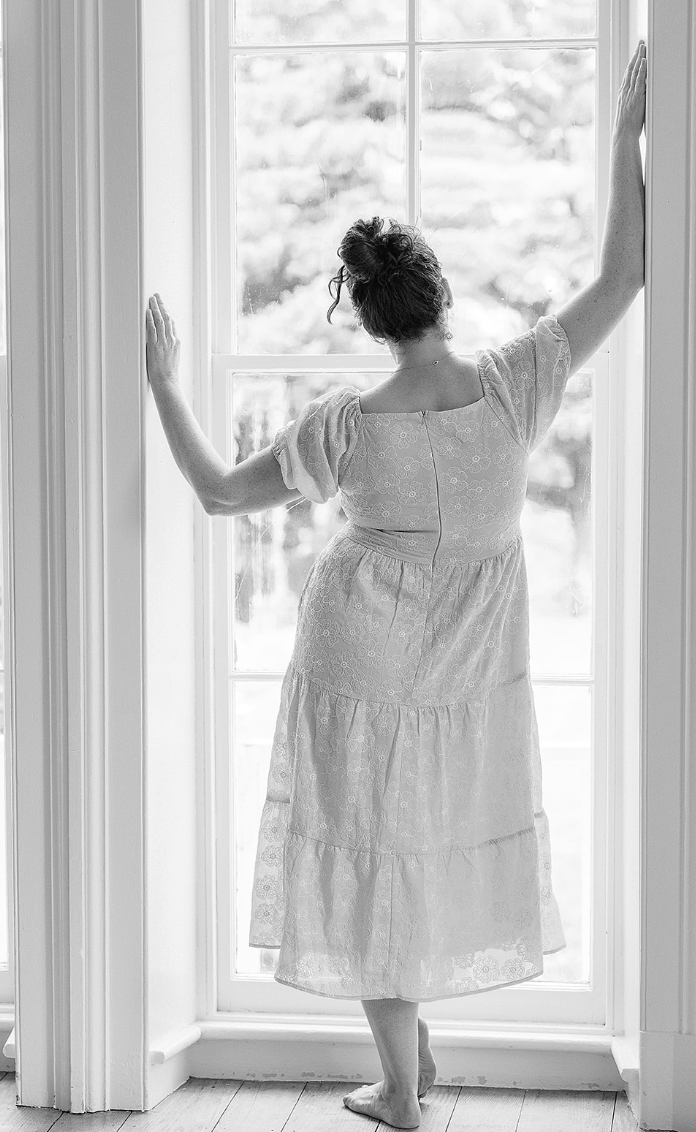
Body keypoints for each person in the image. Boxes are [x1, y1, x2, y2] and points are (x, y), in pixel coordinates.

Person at [145, 38, 646, 1132]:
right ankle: (406, 1077)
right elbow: (624, 276)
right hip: (463, 662)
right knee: (411, 843)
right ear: (441, 297)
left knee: (377, 852)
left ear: (368, 321)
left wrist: (164, 386)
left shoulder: (348, 425)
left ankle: (404, 1091)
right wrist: (625, 137)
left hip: (357, 652)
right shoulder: (514, 384)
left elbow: (220, 494)